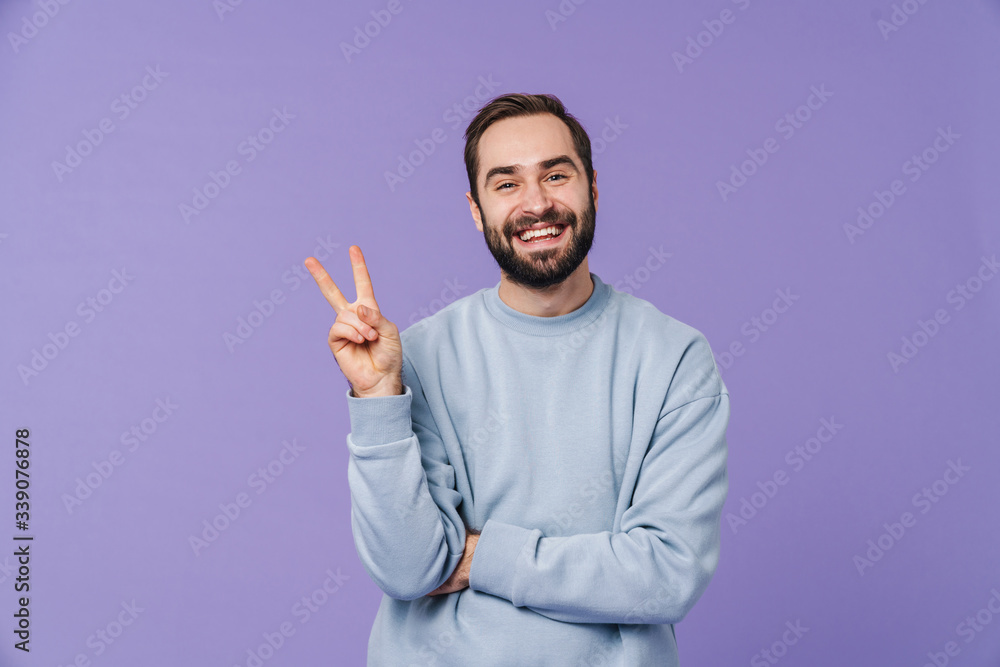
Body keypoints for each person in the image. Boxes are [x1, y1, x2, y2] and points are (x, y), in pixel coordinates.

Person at [304, 93, 730, 666]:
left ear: (593, 188)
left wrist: (478, 557)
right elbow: (409, 570)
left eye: (556, 174)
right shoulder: (418, 357)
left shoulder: (673, 358)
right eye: (506, 184)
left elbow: (665, 577)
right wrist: (379, 397)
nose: (537, 204)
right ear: (476, 210)